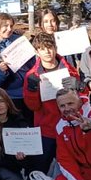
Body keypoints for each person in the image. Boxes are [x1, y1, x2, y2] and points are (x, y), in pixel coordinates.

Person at [22, 31, 79, 159]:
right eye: (42, 49)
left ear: (55, 48)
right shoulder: (32, 75)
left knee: (71, 162)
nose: (47, 52)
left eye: (49, 47)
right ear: (37, 52)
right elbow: (33, 107)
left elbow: (82, 99)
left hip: (70, 124)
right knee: (43, 165)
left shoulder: (69, 70)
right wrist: (32, 91)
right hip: (47, 129)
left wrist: (78, 86)